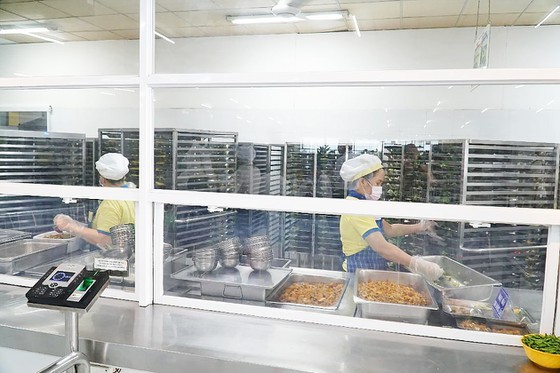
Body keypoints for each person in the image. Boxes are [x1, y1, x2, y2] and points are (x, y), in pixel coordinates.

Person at [338, 153, 444, 281]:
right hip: (358, 274)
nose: (380, 188)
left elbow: (389, 229)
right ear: (362, 182)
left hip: (371, 272)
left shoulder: (365, 205)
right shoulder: (356, 208)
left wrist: (421, 226)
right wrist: (416, 264)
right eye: (378, 182)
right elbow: (381, 247)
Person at [54, 153, 135, 250]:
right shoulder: (131, 193)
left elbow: (104, 239)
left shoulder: (111, 203)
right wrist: (75, 224)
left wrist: (72, 227)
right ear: (124, 177)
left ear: (103, 180)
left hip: (112, 258)